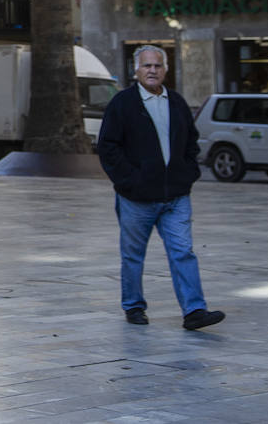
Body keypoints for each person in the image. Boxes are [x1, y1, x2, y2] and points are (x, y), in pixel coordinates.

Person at [97, 45, 224, 330]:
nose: (152, 70)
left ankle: (194, 311)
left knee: (183, 251)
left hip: (175, 197)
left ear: (165, 70)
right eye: (146, 66)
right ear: (136, 70)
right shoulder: (122, 104)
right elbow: (108, 148)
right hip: (136, 199)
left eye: (157, 66)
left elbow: (191, 142)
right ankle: (133, 306)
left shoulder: (176, 102)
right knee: (133, 255)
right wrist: (131, 181)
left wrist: (187, 173)